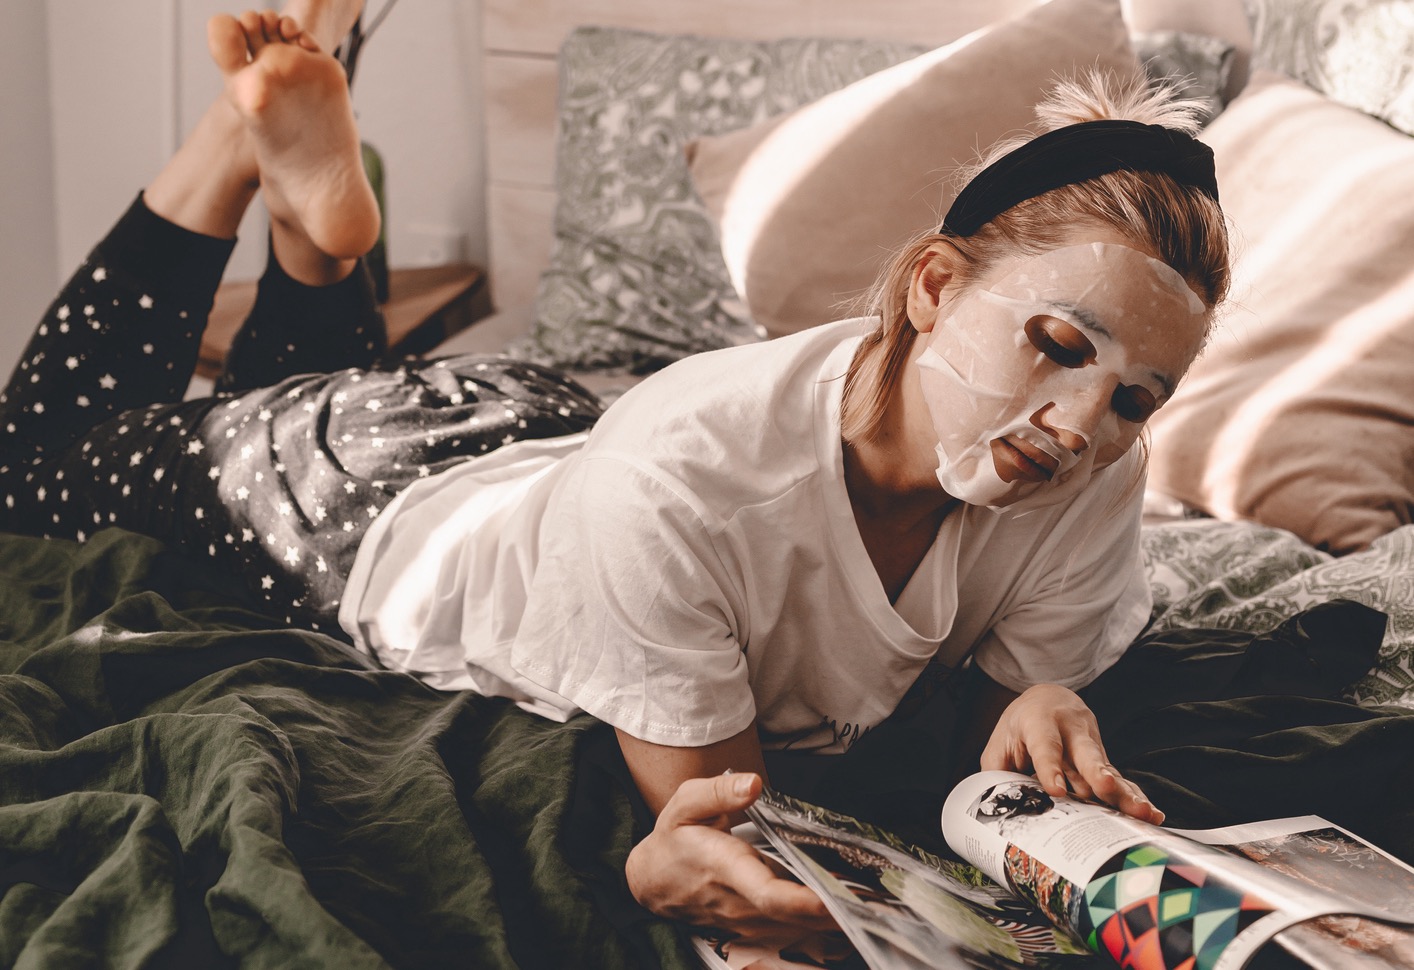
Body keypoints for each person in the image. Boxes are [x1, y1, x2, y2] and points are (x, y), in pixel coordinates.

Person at [0, 1, 1230, 943]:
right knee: (30, 468)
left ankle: (314, 250)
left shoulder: (1088, 470)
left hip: (548, 418)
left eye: (1136, 396)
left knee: (266, 390)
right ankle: (230, 155)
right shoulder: (685, 481)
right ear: (933, 286)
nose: (1082, 422)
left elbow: (996, 715)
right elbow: (730, 820)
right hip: (378, 500)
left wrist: (1032, 699)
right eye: (1055, 343)